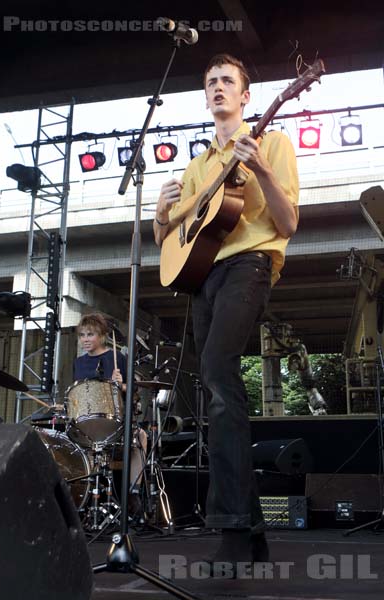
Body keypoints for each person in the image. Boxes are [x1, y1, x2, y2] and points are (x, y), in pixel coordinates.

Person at [154, 54, 299, 573]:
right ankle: (253, 535)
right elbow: (170, 238)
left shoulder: (273, 142)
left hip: (250, 265)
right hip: (203, 278)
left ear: (246, 96)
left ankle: (233, 528)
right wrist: (158, 212)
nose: (218, 88)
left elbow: (288, 222)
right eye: (211, 82)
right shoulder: (197, 166)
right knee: (210, 388)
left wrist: (258, 165)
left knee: (218, 374)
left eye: (227, 81)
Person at [73, 312, 148, 522]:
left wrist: (121, 384)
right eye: (82, 335)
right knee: (77, 444)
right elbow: (77, 396)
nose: (85, 339)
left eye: (90, 334)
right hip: (87, 424)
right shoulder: (79, 363)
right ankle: (85, 499)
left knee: (140, 437)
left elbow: (133, 393)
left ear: (103, 336)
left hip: (113, 421)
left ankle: (133, 492)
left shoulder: (117, 358)